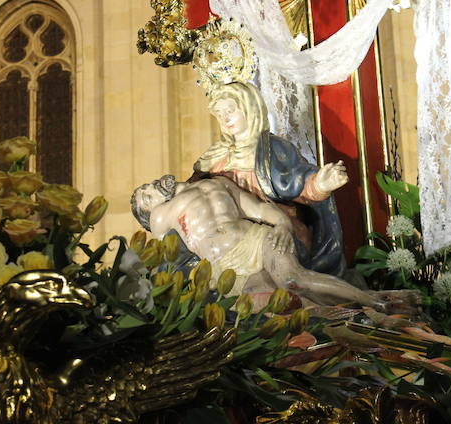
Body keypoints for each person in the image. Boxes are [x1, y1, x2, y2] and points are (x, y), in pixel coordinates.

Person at [131, 174, 383, 307]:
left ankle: (372, 301)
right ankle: (361, 312)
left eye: (146, 188)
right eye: (147, 198)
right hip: (226, 268)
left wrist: (282, 224)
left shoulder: (217, 183)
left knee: (292, 279)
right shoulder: (161, 217)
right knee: (283, 301)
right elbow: (170, 260)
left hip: (255, 239)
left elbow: (258, 210)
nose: (149, 189)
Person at [192, 82, 348, 278]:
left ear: (249, 107)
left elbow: (298, 183)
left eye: (230, 110)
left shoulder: (272, 148)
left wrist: (320, 184)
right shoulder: (212, 157)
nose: (225, 118)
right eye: (220, 113)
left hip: (276, 224)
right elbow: (193, 195)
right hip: (228, 232)